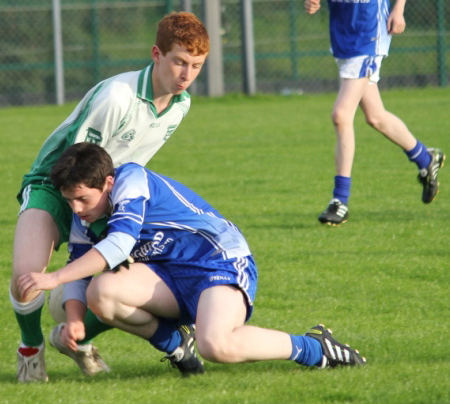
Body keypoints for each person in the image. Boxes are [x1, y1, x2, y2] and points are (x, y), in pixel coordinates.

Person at [18, 143, 366, 376]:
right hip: (166, 276)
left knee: (217, 345)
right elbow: (81, 275)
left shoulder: (132, 179)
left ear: (108, 183)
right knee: (100, 292)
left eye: (81, 198)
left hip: (215, 262)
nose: (76, 209)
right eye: (69, 201)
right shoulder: (84, 215)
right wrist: (77, 322)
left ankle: (313, 346)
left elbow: (120, 244)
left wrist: (53, 278)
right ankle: (176, 346)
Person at [10, 11, 210, 382]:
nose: (186, 74)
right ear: (156, 54)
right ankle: (31, 349)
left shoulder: (181, 106)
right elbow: (75, 163)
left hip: (106, 194)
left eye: (196, 65)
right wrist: (80, 232)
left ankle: (79, 338)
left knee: (129, 279)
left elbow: (131, 168)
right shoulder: (118, 96)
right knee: (26, 278)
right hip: (56, 185)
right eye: (179, 62)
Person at [305, 0, 445, 225]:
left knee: (341, 115)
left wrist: (398, 10)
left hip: (370, 39)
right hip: (343, 42)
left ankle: (340, 201)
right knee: (376, 117)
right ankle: (426, 158)